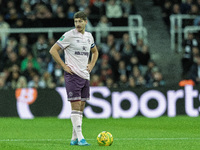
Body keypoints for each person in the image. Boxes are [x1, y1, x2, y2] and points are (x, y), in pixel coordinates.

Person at [49, 11, 98, 146]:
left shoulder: (89, 37)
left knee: (81, 108)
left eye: (80, 21)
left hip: (85, 75)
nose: (77, 24)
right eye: (76, 21)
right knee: (75, 107)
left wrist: (92, 64)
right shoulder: (69, 35)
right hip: (72, 76)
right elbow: (53, 50)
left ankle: (74, 138)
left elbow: (95, 52)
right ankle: (81, 137)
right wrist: (64, 66)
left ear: (85, 22)